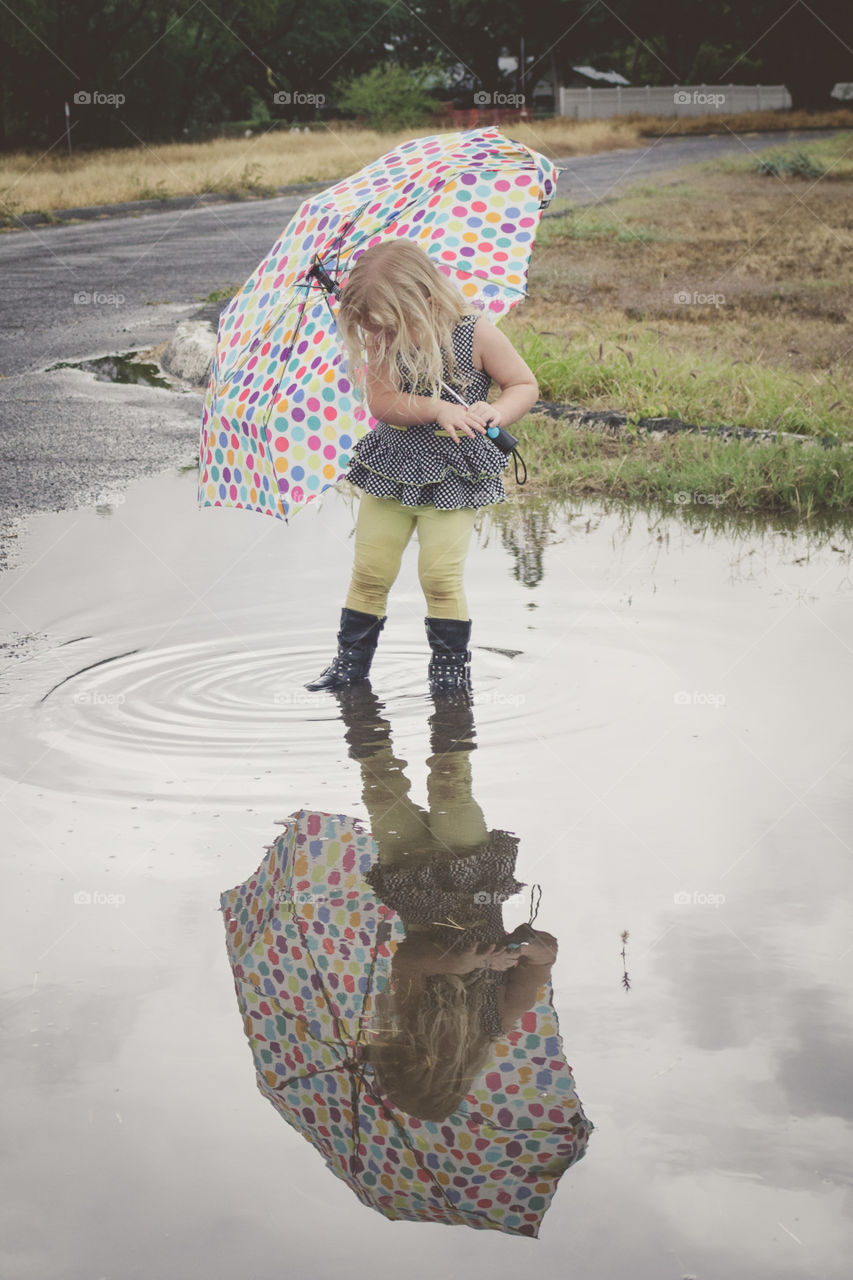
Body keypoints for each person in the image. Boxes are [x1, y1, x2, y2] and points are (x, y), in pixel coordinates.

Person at [305, 239, 539, 696]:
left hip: (454, 474)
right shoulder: (385, 339)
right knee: (370, 570)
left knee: (439, 574)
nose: (383, 335)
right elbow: (383, 402)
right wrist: (437, 408)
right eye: (376, 328)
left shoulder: (477, 333)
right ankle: (351, 666)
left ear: (426, 301)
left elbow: (523, 384)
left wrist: (498, 412)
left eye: (391, 324)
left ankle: (450, 672)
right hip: (393, 468)